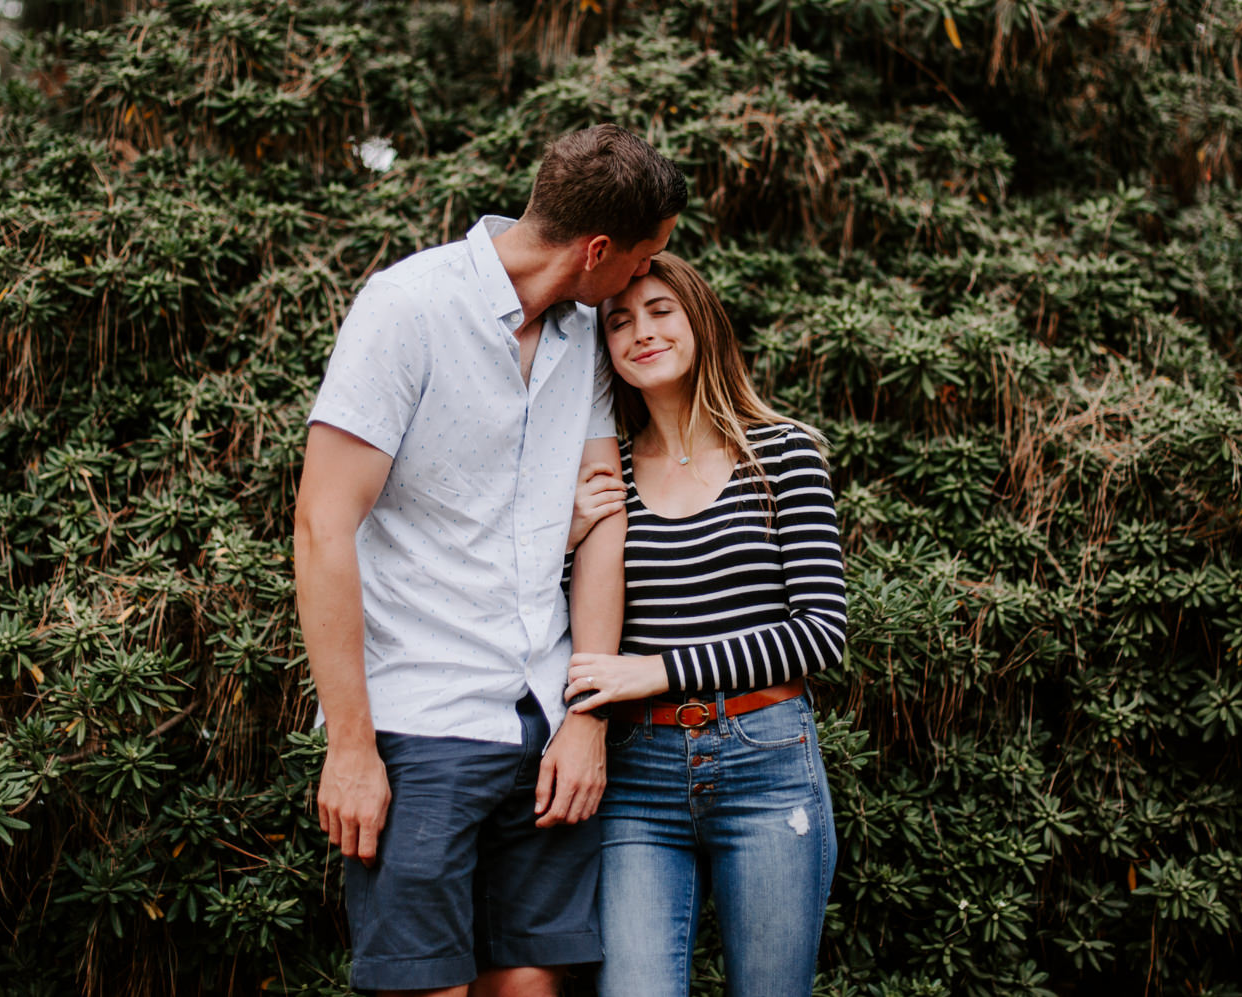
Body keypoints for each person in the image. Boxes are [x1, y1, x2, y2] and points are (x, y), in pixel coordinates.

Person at [293, 125, 686, 997]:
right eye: (640, 259)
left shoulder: (583, 334)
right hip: (418, 725)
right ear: (595, 251)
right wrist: (351, 746)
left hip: (543, 730)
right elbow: (323, 525)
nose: (640, 280)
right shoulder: (406, 307)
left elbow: (602, 516)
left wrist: (583, 716)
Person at [563, 253, 847, 997]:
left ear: (701, 321)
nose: (640, 331)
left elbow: (820, 632)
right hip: (636, 771)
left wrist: (657, 668)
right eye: (618, 321)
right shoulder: (605, 475)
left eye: (660, 309)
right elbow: (557, 618)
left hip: (767, 759)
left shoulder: (783, 454)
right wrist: (559, 542)